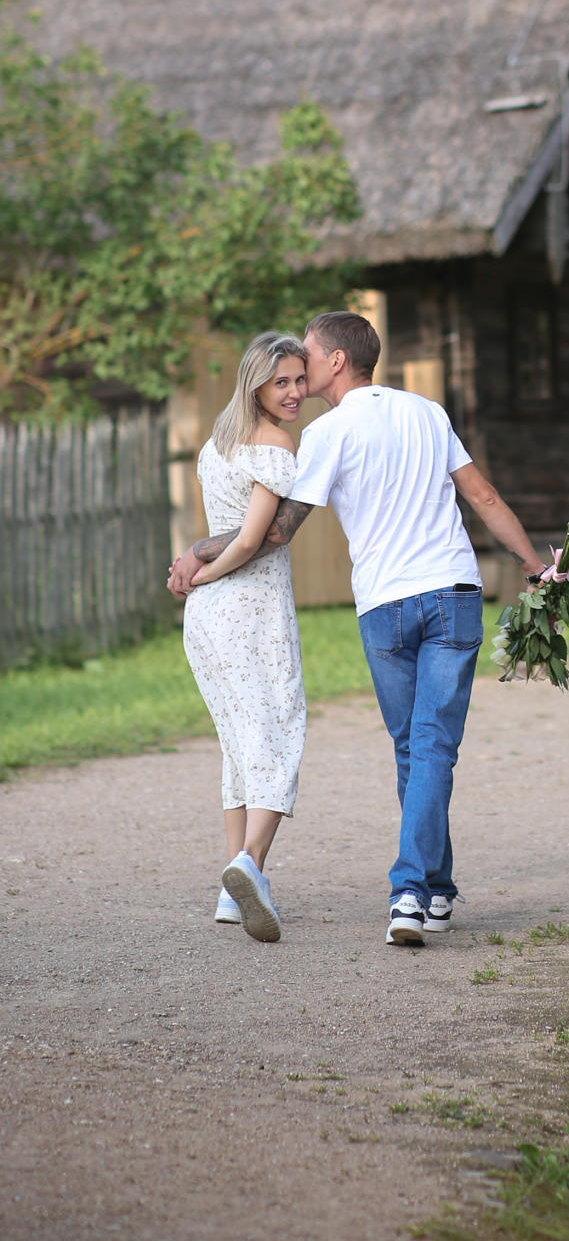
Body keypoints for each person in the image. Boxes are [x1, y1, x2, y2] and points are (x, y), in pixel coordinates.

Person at [169, 310, 552, 948]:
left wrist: (198, 552)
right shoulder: (428, 411)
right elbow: (482, 499)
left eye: (309, 359)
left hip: (386, 607)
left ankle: (415, 891)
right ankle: (430, 891)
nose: (301, 372)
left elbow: (275, 532)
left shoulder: (326, 433)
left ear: (337, 361)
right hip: (455, 593)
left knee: (416, 747)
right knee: (429, 749)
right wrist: (536, 568)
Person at [176, 331, 309, 946]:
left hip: (205, 616)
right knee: (277, 734)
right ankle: (251, 864)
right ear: (255, 383)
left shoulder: (216, 444)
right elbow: (255, 539)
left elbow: (222, 528)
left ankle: (232, 896)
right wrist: (207, 569)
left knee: (239, 742)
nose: (295, 392)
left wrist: (198, 576)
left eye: (300, 379)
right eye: (281, 381)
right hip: (248, 609)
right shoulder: (275, 444)